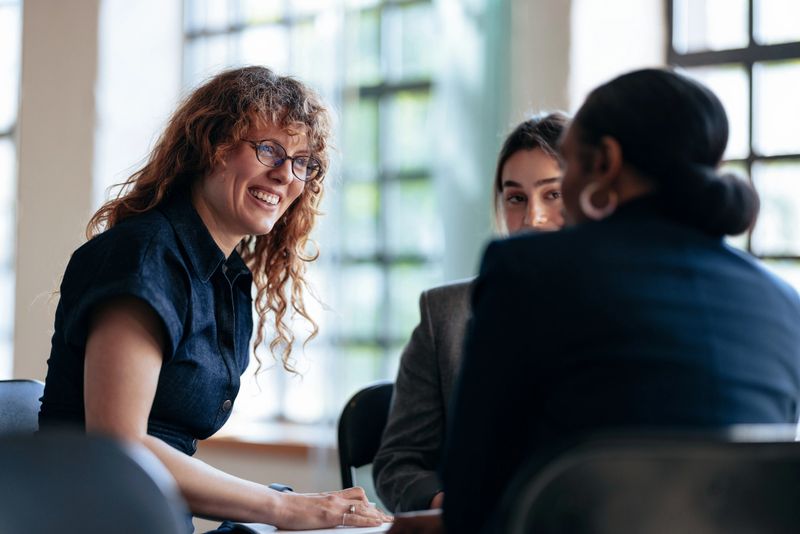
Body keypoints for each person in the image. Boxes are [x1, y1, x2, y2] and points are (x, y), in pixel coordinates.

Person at [390, 68, 800, 534]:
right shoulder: (786, 305)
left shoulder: (525, 271)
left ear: (604, 161)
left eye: (566, 167)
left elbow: (474, 502)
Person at [38, 66, 390, 531]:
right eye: (269, 150)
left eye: (302, 162)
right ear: (211, 146)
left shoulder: (225, 277)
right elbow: (118, 445)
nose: (286, 175)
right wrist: (284, 508)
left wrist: (290, 506)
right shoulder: (145, 256)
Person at [373, 113, 569, 513]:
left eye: (553, 194)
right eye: (516, 198)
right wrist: (451, 505)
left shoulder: (622, 310)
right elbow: (399, 462)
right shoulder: (445, 314)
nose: (533, 217)